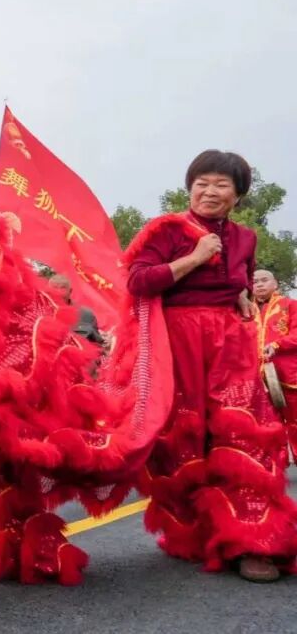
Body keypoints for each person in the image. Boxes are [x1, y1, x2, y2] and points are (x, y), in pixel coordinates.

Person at [127, 150, 297, 583]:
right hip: (177, 341)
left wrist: (240, 296)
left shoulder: (245, 238)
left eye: (221, 184)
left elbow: (242, 279)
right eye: (201, 183)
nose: (209, 191)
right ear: (189, 188)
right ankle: (199, 531)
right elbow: (137, 280)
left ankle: (255, 541)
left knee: (246, 431)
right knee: (183, 438)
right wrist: (194, 258)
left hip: (230, 344)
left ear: (237, 196)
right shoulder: (166, 230)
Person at [253, 269, 297, 461]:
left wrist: (277, 344)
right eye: (255, 282)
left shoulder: (290, 305)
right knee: (268, 422)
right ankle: (277, 462)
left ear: (275, 283)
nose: (259, 284)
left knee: (295, 419)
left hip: (288, 374)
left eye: (264, 280)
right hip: (257, 376)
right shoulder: (246, 309)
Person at [49, 274, 105, 347]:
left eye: (63, 288)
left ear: (70, 291)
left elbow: (97, 344)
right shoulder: (39, 313)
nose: (59, 292)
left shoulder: (85, 314)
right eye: (55, 288)